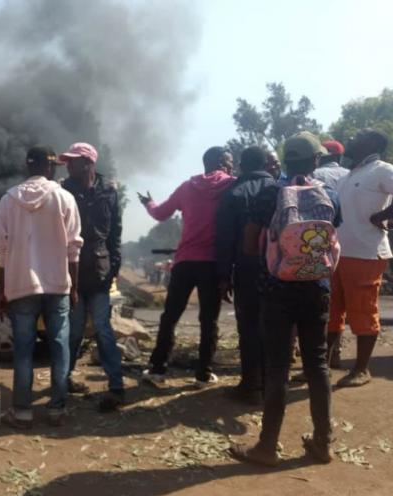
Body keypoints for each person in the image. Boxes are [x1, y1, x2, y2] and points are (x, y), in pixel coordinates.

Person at [231, 132, 340, 466]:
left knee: (277, 366)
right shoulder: (330, 195)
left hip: (277, 289)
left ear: (282, 160)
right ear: (316, 162)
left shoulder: (269, 193)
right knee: (317, 364)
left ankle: (267, 446)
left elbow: (250, 245)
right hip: (317, 286)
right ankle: (322, 443)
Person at [0, 146, 82, 428]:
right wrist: (74, 287)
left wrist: (2, 289)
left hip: (21, 285)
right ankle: (57, 409)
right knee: (59, 346)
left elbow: (2, 250)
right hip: (57, 285)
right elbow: (74, 249)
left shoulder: (8, 201)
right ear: (50, 167)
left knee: (23, 350)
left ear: (27, 166)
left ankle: (21, 412)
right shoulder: (64, 198)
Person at [137, 147, 235, 387]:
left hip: (184, 262)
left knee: (170, 317)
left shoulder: (186, 187)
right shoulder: (232, 186)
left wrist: (148, 203)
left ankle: (158, 369)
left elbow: (160, 213)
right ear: (222, 162)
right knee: (208, 320)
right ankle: (203, 374)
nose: (232, 167)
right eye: (230, 162)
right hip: (213, 264)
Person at [59, 142, 125, 411]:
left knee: (103, 330)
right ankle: (64, 381)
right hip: (70, 272)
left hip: (99, 272)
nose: (68, 165)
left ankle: (116, 385)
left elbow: (115, 235)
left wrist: (114, 267)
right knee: (73, 332)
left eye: (73, 161)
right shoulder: (63, 191)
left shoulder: (109, 192)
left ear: (89, 163)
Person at [327, 130, 393, 387]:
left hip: (366, 253)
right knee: (332, 312)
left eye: (357, 138)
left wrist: (382, 216)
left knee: (363, 312)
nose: (350, 141)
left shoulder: (382, 170)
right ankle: (325, 363)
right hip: (338, 255)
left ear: (374, 144)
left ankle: (361, 369)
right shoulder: (349, 175)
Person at [215, 146, 278, 405]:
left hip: (247, 267)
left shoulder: (231, 193)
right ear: (267, 165)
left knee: (249, 326)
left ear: (242, 165)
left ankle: (251, 385)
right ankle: (272, 385)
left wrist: (223, 276)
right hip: (279, 269)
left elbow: (225, 239)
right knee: (274, 326)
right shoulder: (280, 190)